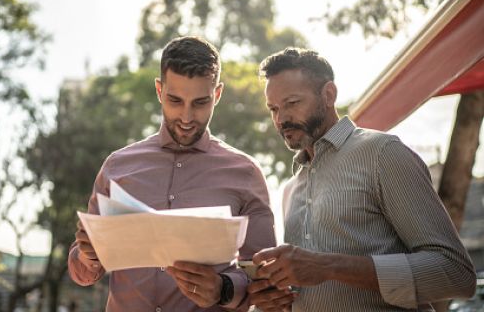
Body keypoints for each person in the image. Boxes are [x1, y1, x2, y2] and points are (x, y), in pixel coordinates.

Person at [247, 48, 476, 311]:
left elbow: (456, 273)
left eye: (292, 103)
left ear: (329, 94)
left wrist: (329, 266)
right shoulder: (290, 189)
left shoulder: (383, 153)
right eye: (274, 108)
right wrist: (273, 301)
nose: (281, 119)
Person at [68, 36, 276, 311]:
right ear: (159, 90)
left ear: (217, 95)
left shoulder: (245, 173)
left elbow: (263, 277)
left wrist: (223, 289)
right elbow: (83, 273)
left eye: (200, 102)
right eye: (175, 100)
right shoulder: (117, 166)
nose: (187, 117)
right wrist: (88, 255)